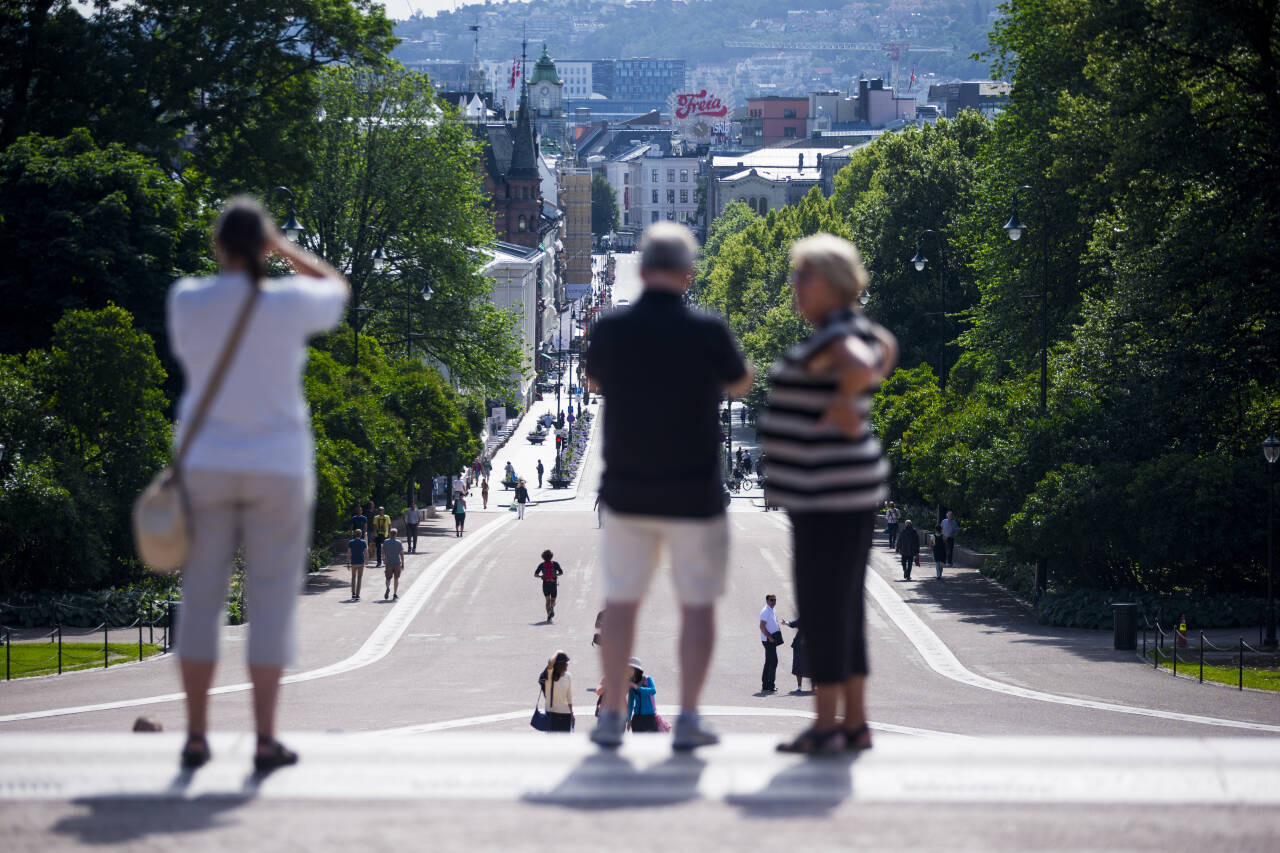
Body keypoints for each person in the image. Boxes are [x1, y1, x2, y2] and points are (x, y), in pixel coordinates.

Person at [168, 198, 349, 771]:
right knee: (270, 604)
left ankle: (197, 735)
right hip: (279, 464)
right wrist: (286, 249)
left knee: (200, 601)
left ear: (218, 246)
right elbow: (337, 289)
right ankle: (265, 738)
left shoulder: (187, 300)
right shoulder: (287, 304)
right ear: (263, 246)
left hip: (206, 464)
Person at [584, 222, 753, 752]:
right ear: (689, 274)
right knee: (695, 606)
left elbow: (591, 381)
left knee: (623, 603)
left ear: (640, 269)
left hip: (628, 487)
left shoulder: (611, 329)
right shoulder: (707, 329)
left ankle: (611, 718)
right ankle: (689, 718)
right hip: (693, 489)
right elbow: (742, 380)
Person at [757, 233, 897, 755]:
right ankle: (854, 723)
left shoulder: (836, 336)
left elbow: (862, 361)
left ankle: (826, 726)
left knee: (822, 609)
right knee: (844, 609)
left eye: (802, 277)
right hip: (846, 490)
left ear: (829, 284)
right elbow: (885, 346)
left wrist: (845, 398)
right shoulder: (848, 325)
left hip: (827, 494)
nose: (794, 286)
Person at [538, 651, 575, 732]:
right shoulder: (549, 676)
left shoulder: (568, 676)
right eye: (566, 662)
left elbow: (569, 697)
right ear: (560, 665)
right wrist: (558, 652)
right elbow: (550, 663)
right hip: (552, 714)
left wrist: (571, 713)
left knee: (564, 742)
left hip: (566, 714)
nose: (567, 664)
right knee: (552, 742)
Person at [626, 659, 659, 733]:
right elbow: (630, 704)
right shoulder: (630, 683)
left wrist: (637, 687)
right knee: (638, 743)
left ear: (637, 670)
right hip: (637, 718)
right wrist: (628, 719)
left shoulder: (647, 679)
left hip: (650, 717)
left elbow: (653, 691)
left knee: (652, 742)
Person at [759, 594, 782, 693]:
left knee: (769, 662)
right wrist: (769, 637)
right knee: (773, 662)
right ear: (767, 600)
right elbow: (761, 626)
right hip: (768, 640)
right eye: (771, 600)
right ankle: (770, 685)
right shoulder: (765, 611)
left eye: (775, 600)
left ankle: (766, 685)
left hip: (772, 639)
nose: (774, 602)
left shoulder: (772, 610)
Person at [535, 549, 564, 621]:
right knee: (553, 600)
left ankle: (549, 615)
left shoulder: (542, 565)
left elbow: (535, 575)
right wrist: (555, 574)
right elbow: (561, 573)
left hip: (545, 584)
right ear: (551, 556)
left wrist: (542, 576)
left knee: (547, 600)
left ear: (543, 557)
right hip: (553, 583)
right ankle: (552, 607)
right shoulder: (555, 564)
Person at [784, 618, 810, 692]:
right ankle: (799, 686)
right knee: (798, 665)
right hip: (799, 646)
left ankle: (814, 686)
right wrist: (785, 622)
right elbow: (793, 624)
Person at [382, 528, 405, 600]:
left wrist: (384, 559)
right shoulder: (399, 542)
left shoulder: (385, 542)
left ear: (390, 534)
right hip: (397, 562)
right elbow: (401, 554)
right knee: (396, 578)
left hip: (388, 562)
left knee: (388, 578)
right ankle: (395, 594)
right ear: (396, 534)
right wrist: (403, 563)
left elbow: (383, 552)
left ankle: (388, 588)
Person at [347, 529, 368, 600]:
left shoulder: (350, 542)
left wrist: (348, 562)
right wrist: (366, 560)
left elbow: (349, 553)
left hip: (353, 562)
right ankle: (357, 594)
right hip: (361, 561)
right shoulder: (363, 542)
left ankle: (353, 593)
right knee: (359, 578)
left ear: (355, 534)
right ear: (361, 534)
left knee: (353, 577)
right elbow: (366, 552)